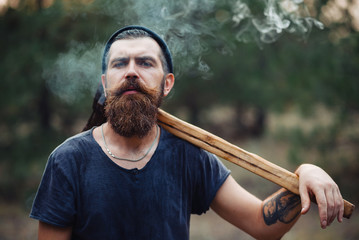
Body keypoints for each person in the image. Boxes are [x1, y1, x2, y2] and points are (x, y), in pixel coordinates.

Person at [30, 25, 344, 240]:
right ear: (105, 83)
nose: (131, 71)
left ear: (167, 83)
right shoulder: (68, 161)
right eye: (120, 63)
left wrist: (305, 173)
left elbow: (262, 224)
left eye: (145, 63)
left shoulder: (189, 155)